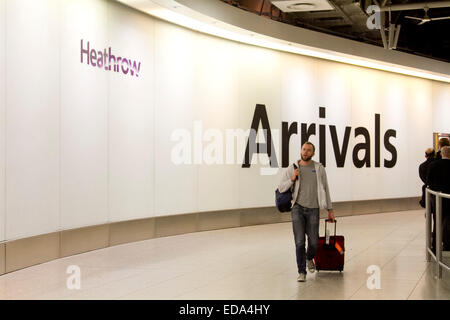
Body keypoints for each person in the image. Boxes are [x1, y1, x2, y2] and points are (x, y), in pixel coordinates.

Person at [277, 142, 334, 282]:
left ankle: (309, 258)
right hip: (297, 208)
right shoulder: (293, 168)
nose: (305, 152)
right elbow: (281, 187)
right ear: (301, 150)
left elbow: (325, 189)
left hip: (314, 209)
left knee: (314, 242)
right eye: (304, 149)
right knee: (299, 242)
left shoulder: (319, 168)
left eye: (309, 150)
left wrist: (330, 209)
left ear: (313, 153)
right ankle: (301, 271)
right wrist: (292, 179)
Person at [427, 146, 450, 251]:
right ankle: (448, 244)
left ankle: (435, 245)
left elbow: (429, 182)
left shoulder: (433, 165)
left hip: (438, 199)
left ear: (441, 154)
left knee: (437, 221)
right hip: (449, 198)